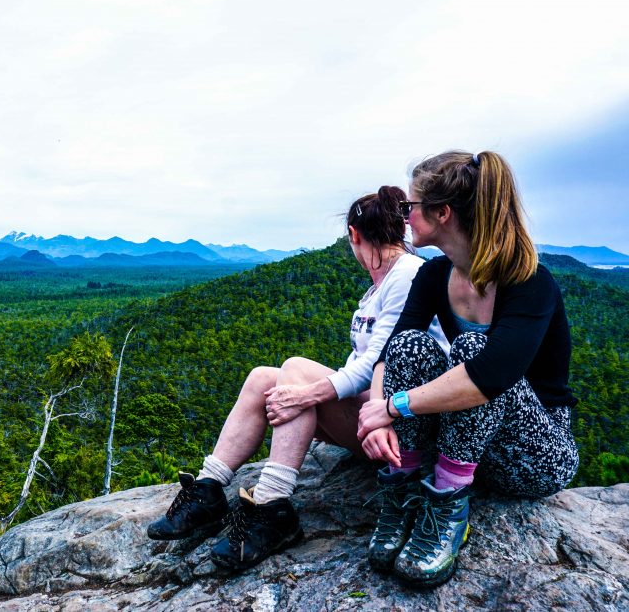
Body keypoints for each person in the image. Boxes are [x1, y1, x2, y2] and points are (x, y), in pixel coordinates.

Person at [147, 186, 446, 571]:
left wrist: (308, 396)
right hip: (382, 416)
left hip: (404, 428)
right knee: (261, 378)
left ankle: (272, 506)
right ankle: (208, 488)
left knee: (295, 371)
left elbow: (379, 361)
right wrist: (312, 405)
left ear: (354, 235)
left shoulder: (407, 275)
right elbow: (364, 363)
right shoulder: (384, 283)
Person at [356, 150, 579, 588]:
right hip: (464, 439)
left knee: (475, 347)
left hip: (535, 455)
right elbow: (388, 352)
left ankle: (447, 504)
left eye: (410, 207)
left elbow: (489, 376)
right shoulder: (434, 274)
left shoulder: (530, 283)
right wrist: (378, 410)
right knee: (411, 345)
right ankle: (404, 489)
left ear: (442, 213)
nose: (405, 217)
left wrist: (395, 407)